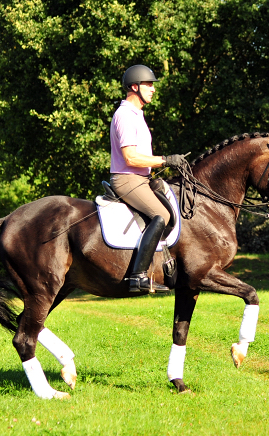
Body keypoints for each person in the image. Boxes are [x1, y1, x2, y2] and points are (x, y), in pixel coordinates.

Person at [110, 64, 183, 293]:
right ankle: (137, 276)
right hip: (127, 179)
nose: (153, 89)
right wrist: (165, 160)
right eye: (148, 85)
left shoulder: (137, 115)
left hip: (140, 179)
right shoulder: (125, 116)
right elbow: (130, 157)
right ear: (134, 86)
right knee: (162, 214)